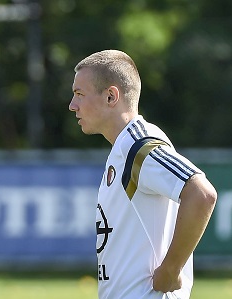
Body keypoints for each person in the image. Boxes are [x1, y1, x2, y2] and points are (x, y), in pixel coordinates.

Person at [69, 50, 217, 299]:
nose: (72, 105)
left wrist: (171, 269)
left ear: (110, 96)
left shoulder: (138, 146)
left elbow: (201, 194)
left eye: (79, 94)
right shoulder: (123, 149)